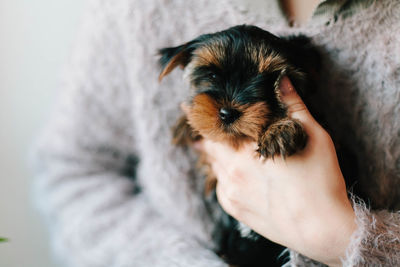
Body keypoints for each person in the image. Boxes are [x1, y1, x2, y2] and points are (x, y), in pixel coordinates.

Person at [30, 0, 400, 266]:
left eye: (266, 81)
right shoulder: (133, 10)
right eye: (210, 79)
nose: (229, 106)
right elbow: (73, 173)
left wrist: (343, 240)